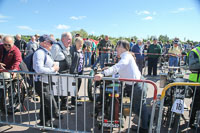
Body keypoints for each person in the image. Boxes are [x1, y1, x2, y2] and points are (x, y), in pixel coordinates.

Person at [94, 40, 149, 132]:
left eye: (117, 46)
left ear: (122, 47)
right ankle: (147, 122)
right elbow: (122, 70)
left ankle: (145, 128)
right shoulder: (127, 56)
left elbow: (118, 66)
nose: (116, 49)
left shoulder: (126, 56)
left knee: (139, 108)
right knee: (137, 108)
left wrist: (103, 73)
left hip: (137, 86)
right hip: (135, 84)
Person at [33, 34, 60, 127]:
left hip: (45, 81)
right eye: (51, 43)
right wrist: (53, 69)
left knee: (45, 104)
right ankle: (47, 122)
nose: (52, 45)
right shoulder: (40, 53)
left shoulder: (45, 52)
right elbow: (39, 69)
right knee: (48, 103)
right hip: (41, 82)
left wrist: (54, 69)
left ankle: (45, 123)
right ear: (44, 43)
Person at [51, 32, 72, 110]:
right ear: (63, 39)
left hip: (66, 73)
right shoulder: (56, 47)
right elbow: (50, 60)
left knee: (65, 91)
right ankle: (55, 109)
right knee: (56, 93)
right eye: (69, 39)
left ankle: (64, 105)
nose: (70, 41)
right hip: (57, 74)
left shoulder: (67, 47)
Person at [70, 37, 84, 107]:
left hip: (80, 71)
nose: (81, 44)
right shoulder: (71, 49)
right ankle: (73, 101)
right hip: (73, 71)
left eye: (82, 43)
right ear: (76, 43)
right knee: (74, 86)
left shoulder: (81, 50)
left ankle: (75, 97)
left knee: (79, 84)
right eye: (80, 43)